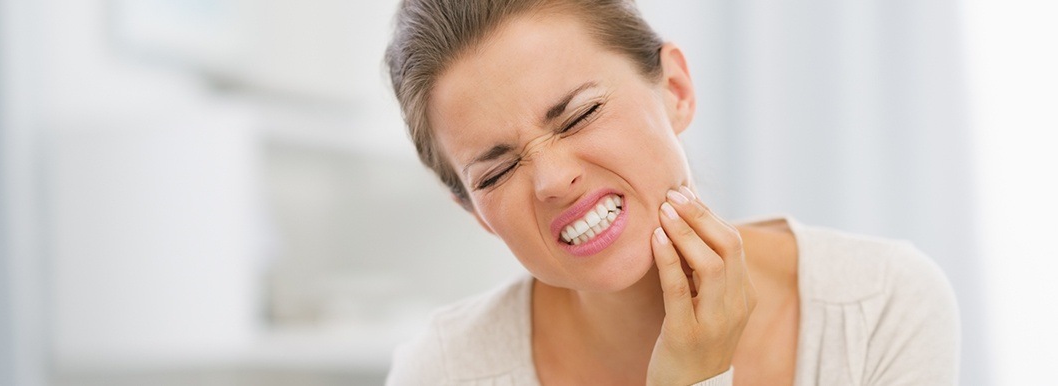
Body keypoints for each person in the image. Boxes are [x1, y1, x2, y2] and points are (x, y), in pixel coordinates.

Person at [382, 0, 960, 385]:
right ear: (474, 211)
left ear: (676, 90)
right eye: (497, 171)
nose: (553, 180)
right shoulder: (443, 371)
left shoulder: (879, 305)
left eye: (579, 115)